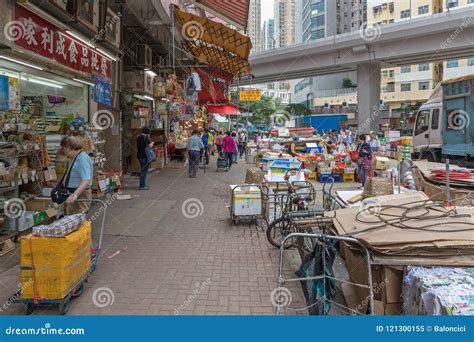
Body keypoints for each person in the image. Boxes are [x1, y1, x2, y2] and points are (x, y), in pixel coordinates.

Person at [61, 136, 93, 215]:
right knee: (73, 218)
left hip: (80, 195)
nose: (63, 151)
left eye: (64, 148)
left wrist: (74, 195)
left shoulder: (82, 159)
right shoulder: (77, 157)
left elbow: (86, 180)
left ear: (68, 148)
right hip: (76, 194)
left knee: (77, 218)